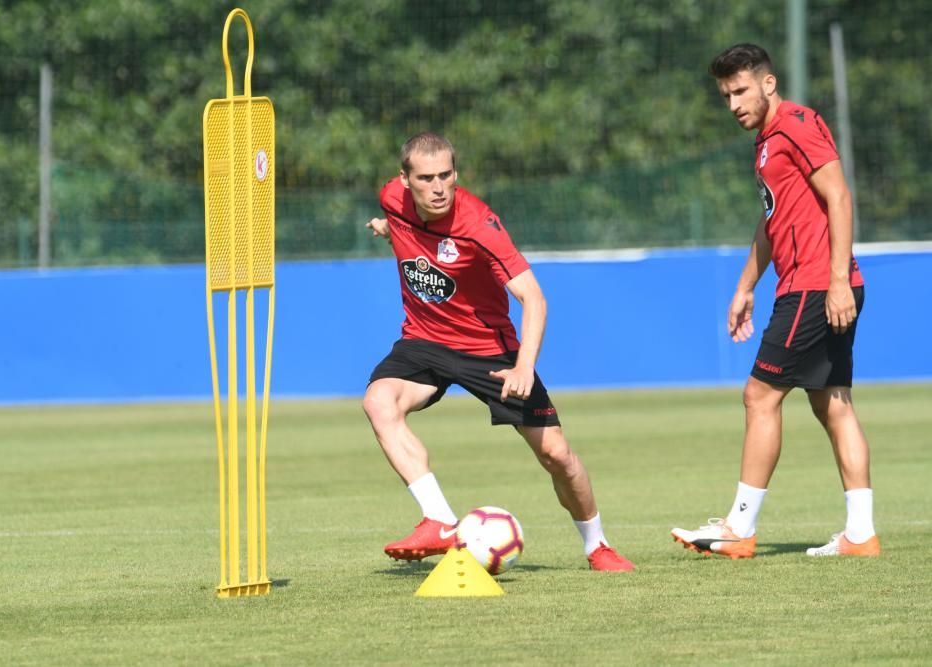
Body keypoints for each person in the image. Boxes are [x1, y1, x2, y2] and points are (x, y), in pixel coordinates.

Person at [362, 131, 635, 572]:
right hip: (424, 340)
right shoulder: (392, 199)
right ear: (405, 180)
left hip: (490, 350)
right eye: (426, 178)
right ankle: (439, 519)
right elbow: (409, 232)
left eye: (446, 176)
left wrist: (525, 366)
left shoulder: (479, 225)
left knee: (557, 456)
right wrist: (389, 228)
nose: (437, 187)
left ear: (457, 174)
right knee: (378, 401)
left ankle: (597, 545)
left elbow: (534, 298)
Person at [671, 44, 878, 558]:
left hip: (815, 286)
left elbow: (840, 197)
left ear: (768, 83)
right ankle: (860, 534)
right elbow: (771, 223)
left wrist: (834, 280)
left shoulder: (797, 124)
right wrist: (745, 287)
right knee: (834, 404)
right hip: (814, 284)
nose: (734, 103)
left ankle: (739, 528)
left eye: (740, 90)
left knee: (759, 396)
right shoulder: (765, 142)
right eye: (725, 95)